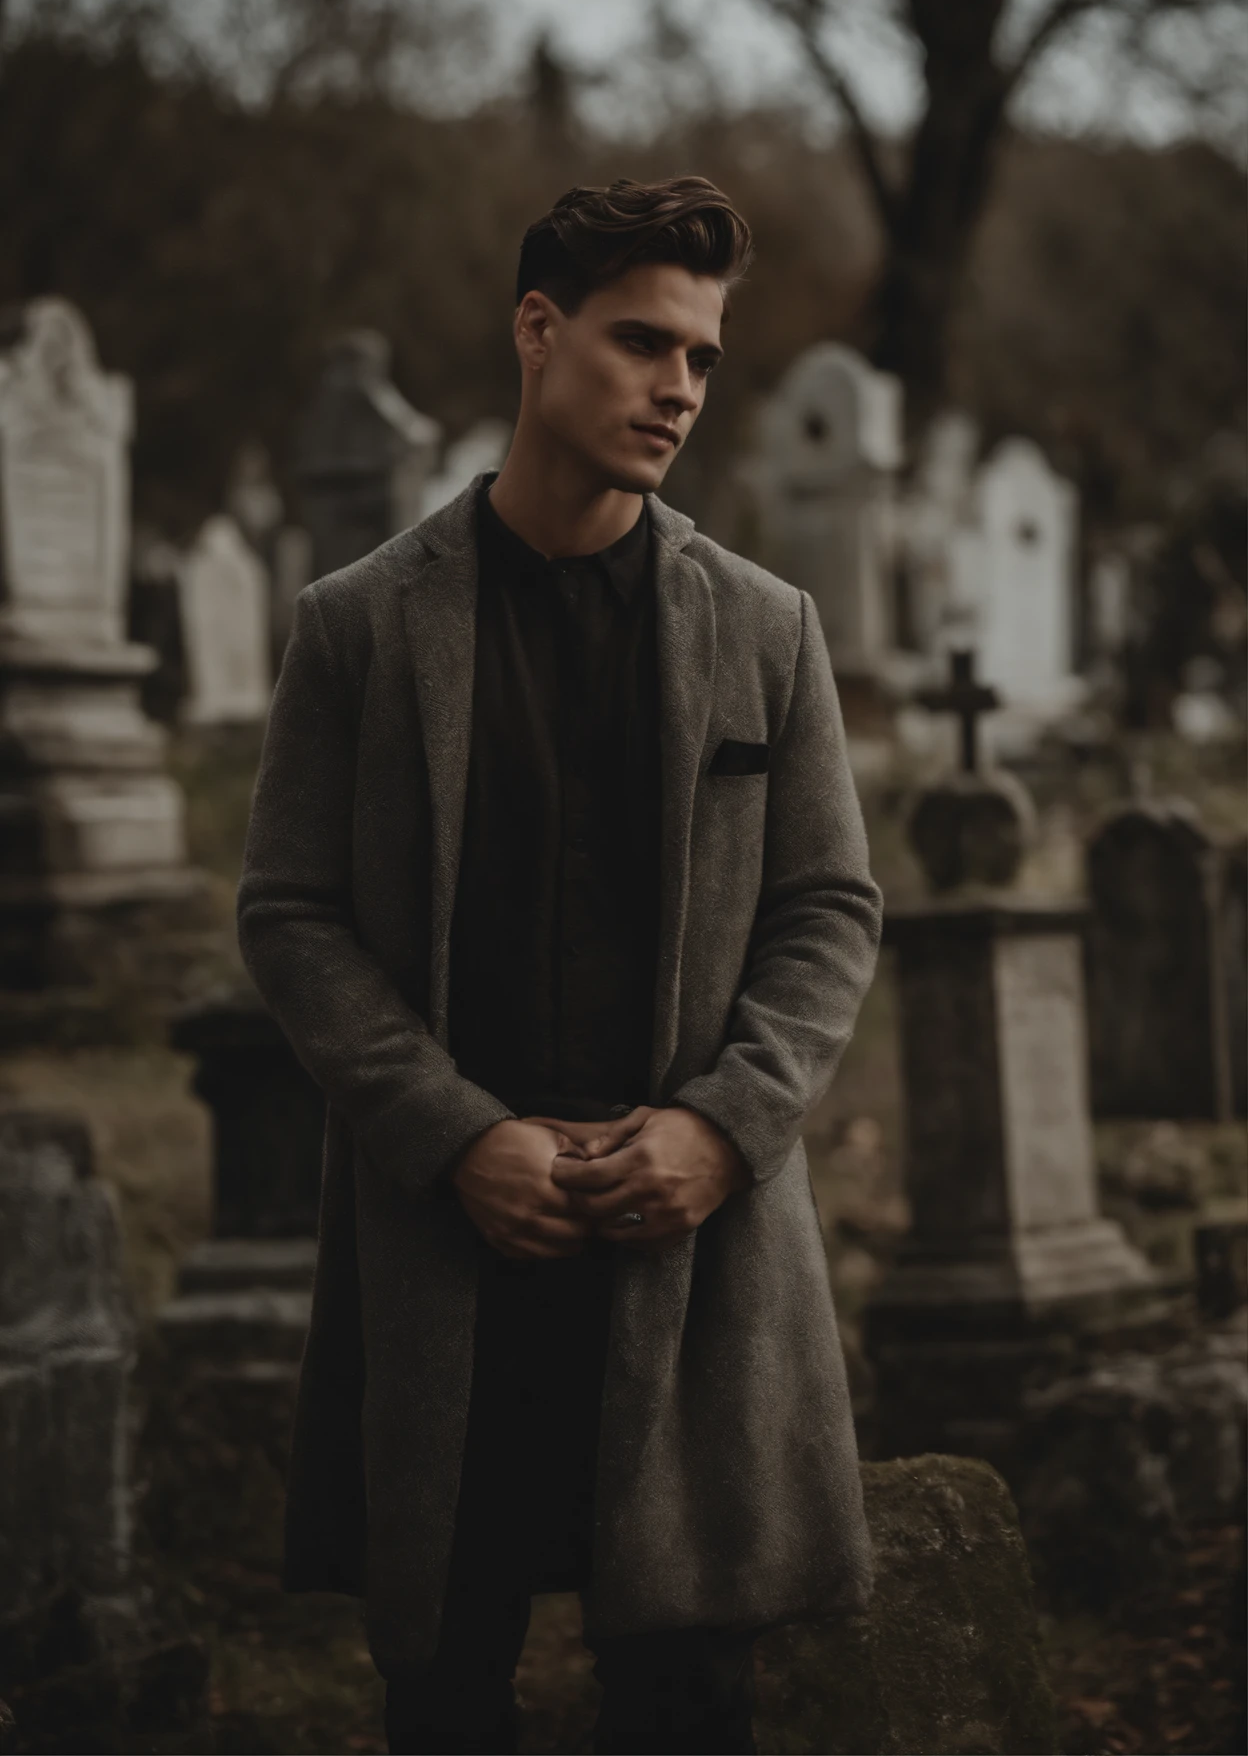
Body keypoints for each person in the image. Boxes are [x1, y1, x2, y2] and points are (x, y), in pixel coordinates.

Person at [238, 175, 882, 1755]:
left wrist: (724, 1127)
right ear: (538, 333)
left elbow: (828, 909)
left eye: (704, 360)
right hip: (456, 1238)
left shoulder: (768, 627)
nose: (678, 387)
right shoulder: (362, 627)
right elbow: (291, 909)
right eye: (642, 342)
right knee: (447, 1689)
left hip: (689, 1243)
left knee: (690, 1697)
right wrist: (455, 1133)